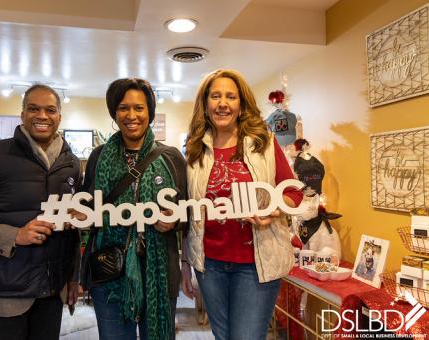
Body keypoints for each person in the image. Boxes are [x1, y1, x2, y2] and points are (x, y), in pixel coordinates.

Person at [0, 84, 81, 340]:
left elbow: (70, 230)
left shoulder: (70, 164)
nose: (42, 115)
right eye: (34, 109)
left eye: (50, 110)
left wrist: (72, 277)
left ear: (59, 117)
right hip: (3, 297)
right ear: (22, 115)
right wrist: (15, 235)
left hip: (51, 294)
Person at [181, 69, 303, 340]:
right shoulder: (194, 149)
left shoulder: (264, 142)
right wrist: (185, 263)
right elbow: (187, 211)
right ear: (205, 104)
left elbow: (293, 192)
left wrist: (273, 209)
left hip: (255, 263)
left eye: (230, 96)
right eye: (215, 96)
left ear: (240, 104)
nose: (222, 103)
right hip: (209, 264)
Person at [80, 78, 187, 340]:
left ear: (149, 111)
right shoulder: (99, 156)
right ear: (114, 113)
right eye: (123, 108)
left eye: (139, 108)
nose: (131, 115)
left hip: (159, 269)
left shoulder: (171, 157)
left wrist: (174, 221)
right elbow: (88, 208)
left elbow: (188, 210)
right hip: (110, 269)